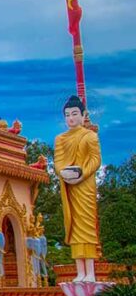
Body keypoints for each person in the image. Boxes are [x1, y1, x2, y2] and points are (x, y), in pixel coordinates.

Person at [54, 95, 102, 283]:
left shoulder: (90, 136)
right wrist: (63, 173)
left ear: (83, 115)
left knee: (86, 225)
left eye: (74, 114)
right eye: (67, 115)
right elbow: (58, 161)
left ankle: (90, 271)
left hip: (85, 184)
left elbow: (95, 159)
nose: (71, 118)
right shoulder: (60, 139)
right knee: (73, 225)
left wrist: (82, 173)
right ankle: (80, 271)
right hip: (68, 185)